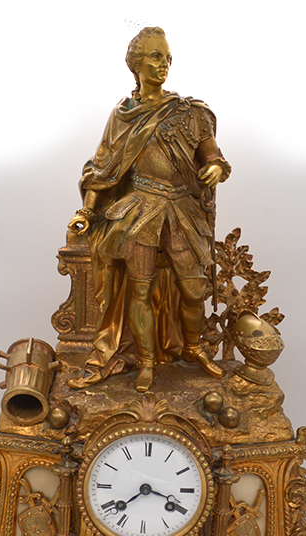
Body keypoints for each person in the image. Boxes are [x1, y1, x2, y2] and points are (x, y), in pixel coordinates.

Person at [66, 27, 230, 393]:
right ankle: (146, 363)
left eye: (168, 57)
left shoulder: (191, 113)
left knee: (194, 290)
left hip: (183, 210)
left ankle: (192, 347)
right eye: (156, 57)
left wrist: (215, 168)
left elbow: (213, 156)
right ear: (136, 64)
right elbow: (101, 169)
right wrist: (87, 213)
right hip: (140, 210)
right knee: (139, 291)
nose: (164, 64)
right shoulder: (123, 115)